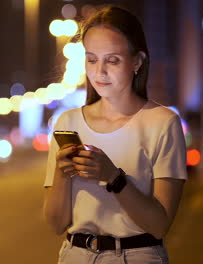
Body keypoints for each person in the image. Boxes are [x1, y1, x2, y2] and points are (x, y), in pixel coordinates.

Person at [43, 6, 187, 264]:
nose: (99, 72)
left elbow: (159, 225)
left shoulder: (163, 123)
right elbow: (55, 224)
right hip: (75, 255)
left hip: (136, 256)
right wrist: (61, 174)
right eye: (92, 59)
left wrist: (112, 177)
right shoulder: (68, 121)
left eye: (112, 60)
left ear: (137, 61)